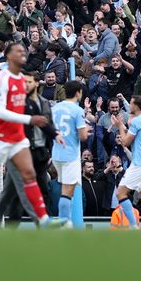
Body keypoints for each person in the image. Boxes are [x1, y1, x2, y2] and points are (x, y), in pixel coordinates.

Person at [0, 43, 53, 226]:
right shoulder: (2, 79)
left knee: (29, 174)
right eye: (19, 51)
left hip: (17, 137)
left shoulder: (22, 79)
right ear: (8, 56)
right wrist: (30, 120)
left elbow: (19, 109)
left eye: (24, 50)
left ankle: (44, 220)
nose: (23, 53)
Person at [50, 79, 89, 229]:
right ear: (78, 93)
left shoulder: (55, 108)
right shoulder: (77, 110)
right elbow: (83, 136)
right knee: (67, 191)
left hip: (57, 154)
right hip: (70, 155)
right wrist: (86, 131)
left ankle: (65, 221)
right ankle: (64, 223)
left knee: (66, 190)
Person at [113, 94, 141, 229]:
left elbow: (125, 142)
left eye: (131, 103)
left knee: (120, 193)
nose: (129, 106)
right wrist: (125, 127)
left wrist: (120, 125)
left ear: (136, 106)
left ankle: (133, 226)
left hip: (139, 163)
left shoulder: (137, 121)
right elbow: (136, 136)